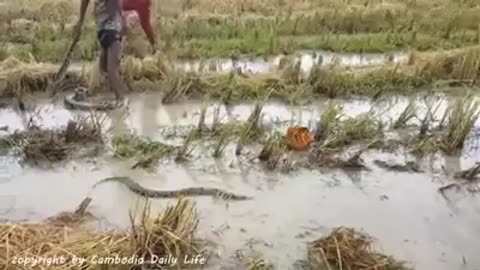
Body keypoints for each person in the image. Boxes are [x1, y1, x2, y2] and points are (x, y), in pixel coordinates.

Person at [76, 0, 127, 102]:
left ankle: (115, 97)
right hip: (111, 30)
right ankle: (120, 100)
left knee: (105, 68)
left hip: (103, 30)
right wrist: (124, 20)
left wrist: (81, 20)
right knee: (111, 69)